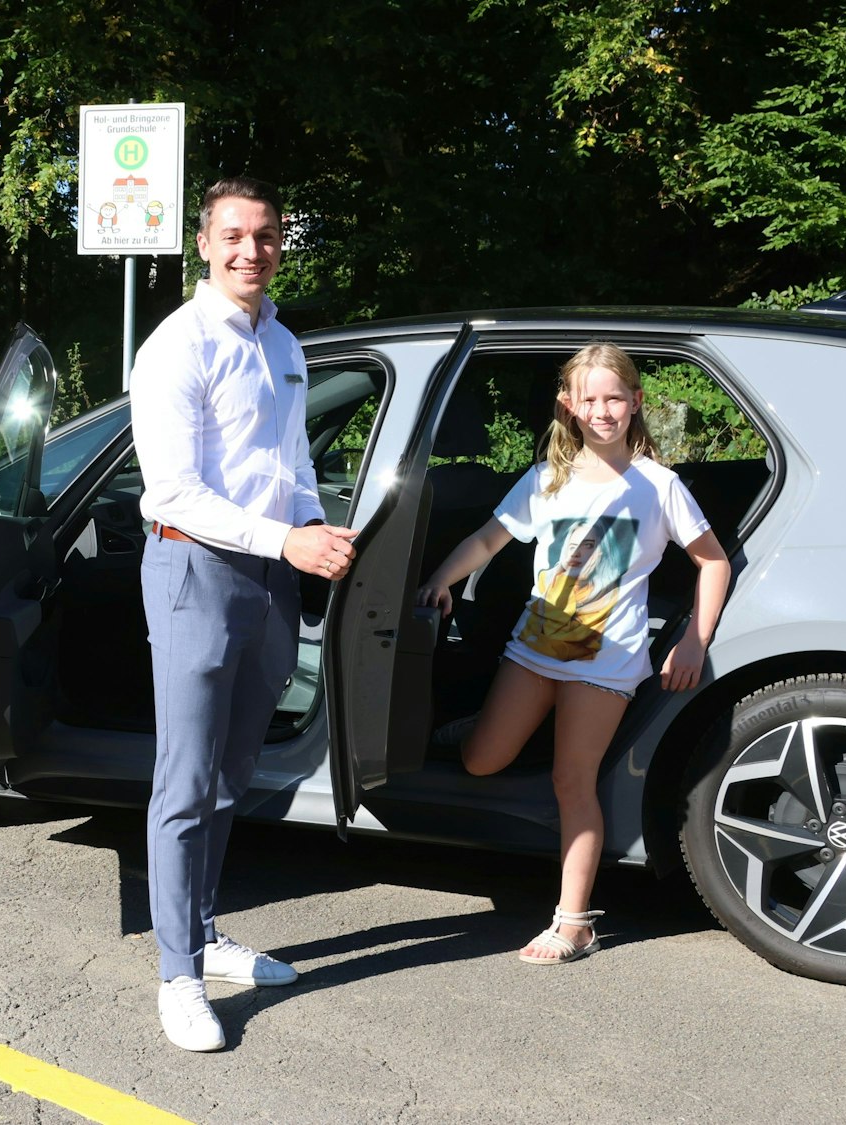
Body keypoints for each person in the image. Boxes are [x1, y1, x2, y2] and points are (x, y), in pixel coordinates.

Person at [130, 176, 358, 1052]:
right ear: (203, 242)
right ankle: (177, 974)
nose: (250, 250)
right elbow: (174, 489)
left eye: (265, 235)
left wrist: (309, 528)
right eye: (233, 235)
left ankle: (203, 931)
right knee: (184, 780)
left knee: (231, 773)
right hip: (196, 565)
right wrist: (285, 540)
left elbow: (292, 455)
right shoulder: (176, 346)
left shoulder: (283, 342)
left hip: (269, 571)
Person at [418, 343, 729, 965]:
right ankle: (476, 727)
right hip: (534, 650)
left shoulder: (658, 486)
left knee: (571, 781)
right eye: (590, 398)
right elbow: (489, 537)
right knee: (481, 759)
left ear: (637, 402)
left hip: (605, 663)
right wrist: (442, 579)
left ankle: (574, 922)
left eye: (615, 397)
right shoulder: (548, 478)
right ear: (570, 406)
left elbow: (712, 561)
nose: (603, 410)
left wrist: (697, 637)